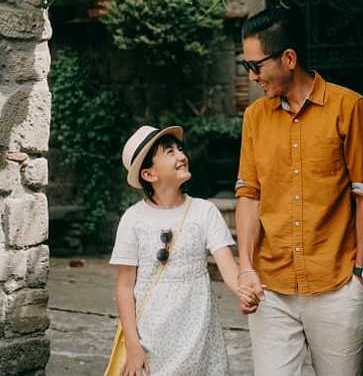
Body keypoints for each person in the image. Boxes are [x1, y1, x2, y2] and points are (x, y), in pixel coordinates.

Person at [234, 7, 363, 376]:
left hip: (336, 286)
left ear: (289, 58)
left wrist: (360, 275)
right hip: (271, 290)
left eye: (256, 66)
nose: (253, 76)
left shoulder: (350, 108)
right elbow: (249, 195)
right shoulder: (254, 117)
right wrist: (245, 269)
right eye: (246, 67)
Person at [109, 125, 260, 376]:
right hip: (151, 339)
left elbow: (228, 266)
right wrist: (133, 347)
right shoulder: (133, 219)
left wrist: (244, 291)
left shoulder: (204, 211)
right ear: (149, 174)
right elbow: (124, 287)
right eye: (169, 152)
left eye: (180, 149)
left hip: (198, 334)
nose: (181, 155)